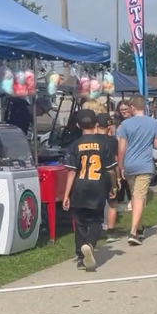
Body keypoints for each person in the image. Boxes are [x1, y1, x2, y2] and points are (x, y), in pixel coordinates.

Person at [62, 109, 117, 271]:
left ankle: (80, 255)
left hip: (79, 186)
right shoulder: (104, 144)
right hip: (98, 185)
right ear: (96, 124)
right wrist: (113, 185)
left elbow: (72, 171)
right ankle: (90, 245)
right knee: (96, 220)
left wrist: (66, 194)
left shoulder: (74, 145)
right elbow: (111, 169)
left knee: (79, 221)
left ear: (79, 125)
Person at [117, 94, 157, 246]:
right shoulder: (153, 123)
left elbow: (122, 148)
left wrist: (121, 166)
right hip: (145, 165)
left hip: (130, 164)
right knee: (139, 197)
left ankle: (138, 228)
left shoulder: (125, 125)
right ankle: (133, 232)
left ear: (132, 107)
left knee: (136, 197)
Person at [95, 112, 120, 238]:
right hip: (109, 173)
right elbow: (116, 159)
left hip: (94, 174)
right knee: (112, 204)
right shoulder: (113, 141)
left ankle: (96, 228)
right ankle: (110, 231)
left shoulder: (91, 140)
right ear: (109, 127)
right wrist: (117, 179)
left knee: (95, 203)